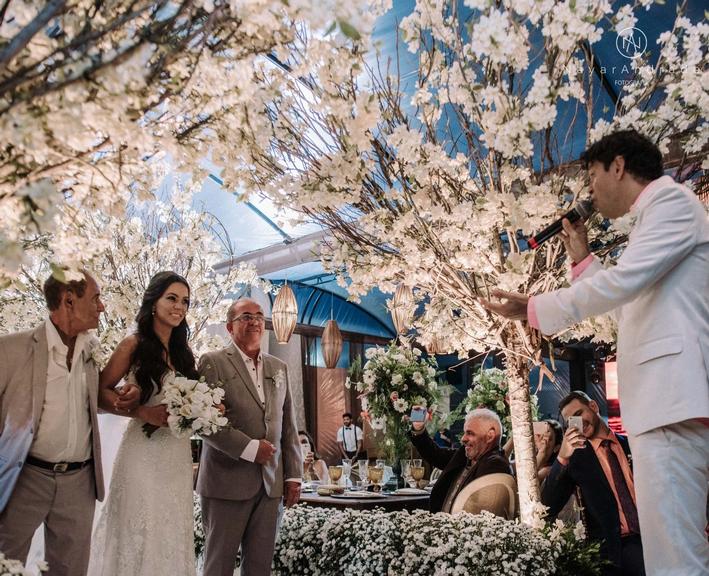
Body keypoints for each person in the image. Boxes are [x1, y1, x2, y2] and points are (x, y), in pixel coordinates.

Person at [481, 129, 709, 576]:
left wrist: (533, 307)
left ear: (617, 166)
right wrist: (583, 261)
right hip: (662, 408)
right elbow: (626, 311)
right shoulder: (654, 221)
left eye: (592, 176)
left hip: (671, 405)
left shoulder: (673, 204)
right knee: (669, 554)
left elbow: (622, 285)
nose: (591, 192)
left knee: (676, 557)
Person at [0, 271, 136, 576]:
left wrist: (117, 399)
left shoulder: (91, 348)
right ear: (69, 300)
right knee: (6, 565)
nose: (102, 307)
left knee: (71, 570)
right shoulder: (10, 349)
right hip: (25, 477)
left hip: (79, 481)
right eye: (96, 298)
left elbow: (90, 401)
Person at [88, 271, 200, 576]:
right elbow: (98, 395)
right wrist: (142, 412)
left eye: (185, 301)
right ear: (154, 302)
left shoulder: (184, 353)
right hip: (142, 452)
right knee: (141, 528)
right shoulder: (133, 344)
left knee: (171, 531)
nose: (180, 307)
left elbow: (192, 401)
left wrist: (204, 410)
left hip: (176, 455)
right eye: (172, 298)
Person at [197, 298, 302, 576]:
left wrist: (293, 476)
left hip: (270, 487)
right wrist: (248, 448)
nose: (255, 321)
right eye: (246, 316)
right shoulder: (212, 362)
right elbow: (204, 423)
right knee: (218, 565)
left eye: (259, 316)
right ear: (230, 327)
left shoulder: (279, 367)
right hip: (225, 483)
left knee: (259, 567)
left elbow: (289, 425)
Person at [543, 392, 644, 576]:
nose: (579, 423)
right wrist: (563, 457)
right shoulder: (577, 459)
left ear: (594, 407)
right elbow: (547, 505)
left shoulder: (630, 444)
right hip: (614, 550)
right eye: (572, 421)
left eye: (580, 413)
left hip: (654, 536)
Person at [410, 408, 511, 513]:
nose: (463, 439)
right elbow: (434, 454)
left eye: (470, 433)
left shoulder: (495, 464)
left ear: (490, 435)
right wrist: (418, 428)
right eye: (464, 433)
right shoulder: (464, 456)